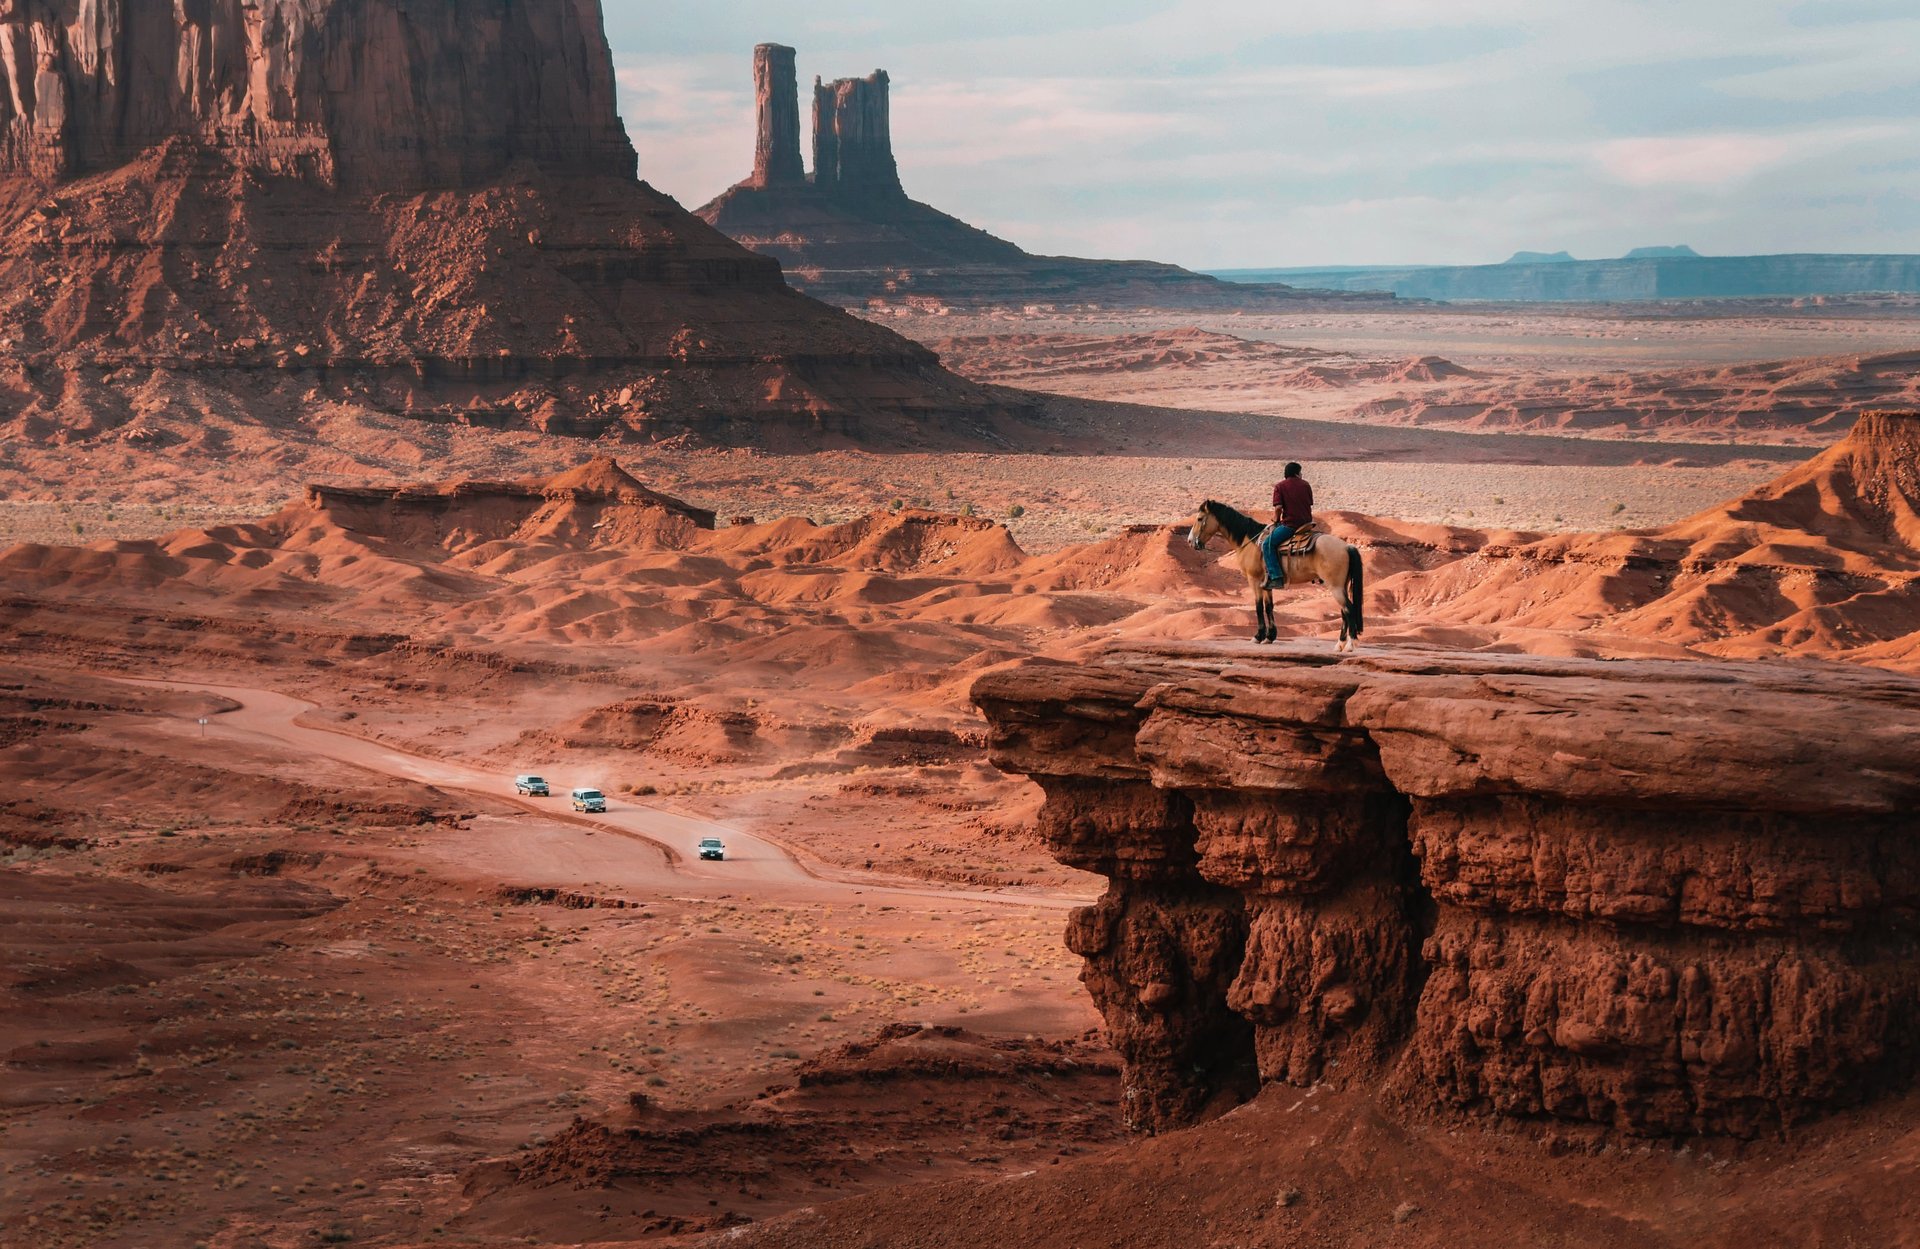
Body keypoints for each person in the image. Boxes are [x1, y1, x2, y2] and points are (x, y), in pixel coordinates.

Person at [1261, 462, 1314, 587]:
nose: (1301, 475)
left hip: (1291, 525)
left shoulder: (1280, 486)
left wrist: (1276, 519)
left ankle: (1276, 577)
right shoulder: (1306, 485)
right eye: (1300, 472)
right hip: (1307, 524)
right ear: (1296, 473)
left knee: (1267, 544)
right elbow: (1309, 504)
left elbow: (1278, 507)